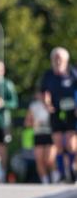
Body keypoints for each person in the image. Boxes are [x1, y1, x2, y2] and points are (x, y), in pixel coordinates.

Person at [40, 47, 77, 183]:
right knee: (59, 144)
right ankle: (61, 173)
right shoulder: (48, 75)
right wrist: (46, 102)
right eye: (55, 58)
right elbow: (44, 92)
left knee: (71, 144)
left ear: (66, 60)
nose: (57, 60)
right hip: (55, 112)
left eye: (60, 58)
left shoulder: (73, 73)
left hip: (71, 112)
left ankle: (72, 168)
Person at [24, 89, 54, 184]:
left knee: (49, 159)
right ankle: (45, 180)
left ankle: (55, 177)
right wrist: (34, 123)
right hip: (38, 134)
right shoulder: (34, 106)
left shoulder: (54, 104)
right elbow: (27, 122)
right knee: (39, 159)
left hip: (51, 134)